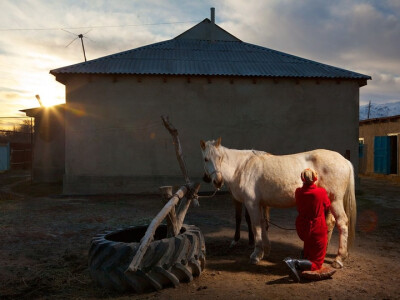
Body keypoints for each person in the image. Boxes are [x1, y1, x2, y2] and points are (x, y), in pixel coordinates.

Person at [284, 168, 331, 282]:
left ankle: (304, 258)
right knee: (318, 263)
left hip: (303, 226)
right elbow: (327, 206)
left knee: (308, 247)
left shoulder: (298, 192)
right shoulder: (320, 192)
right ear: (315, 178)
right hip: (317, 226)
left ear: (302, 178)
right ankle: (294, 262)